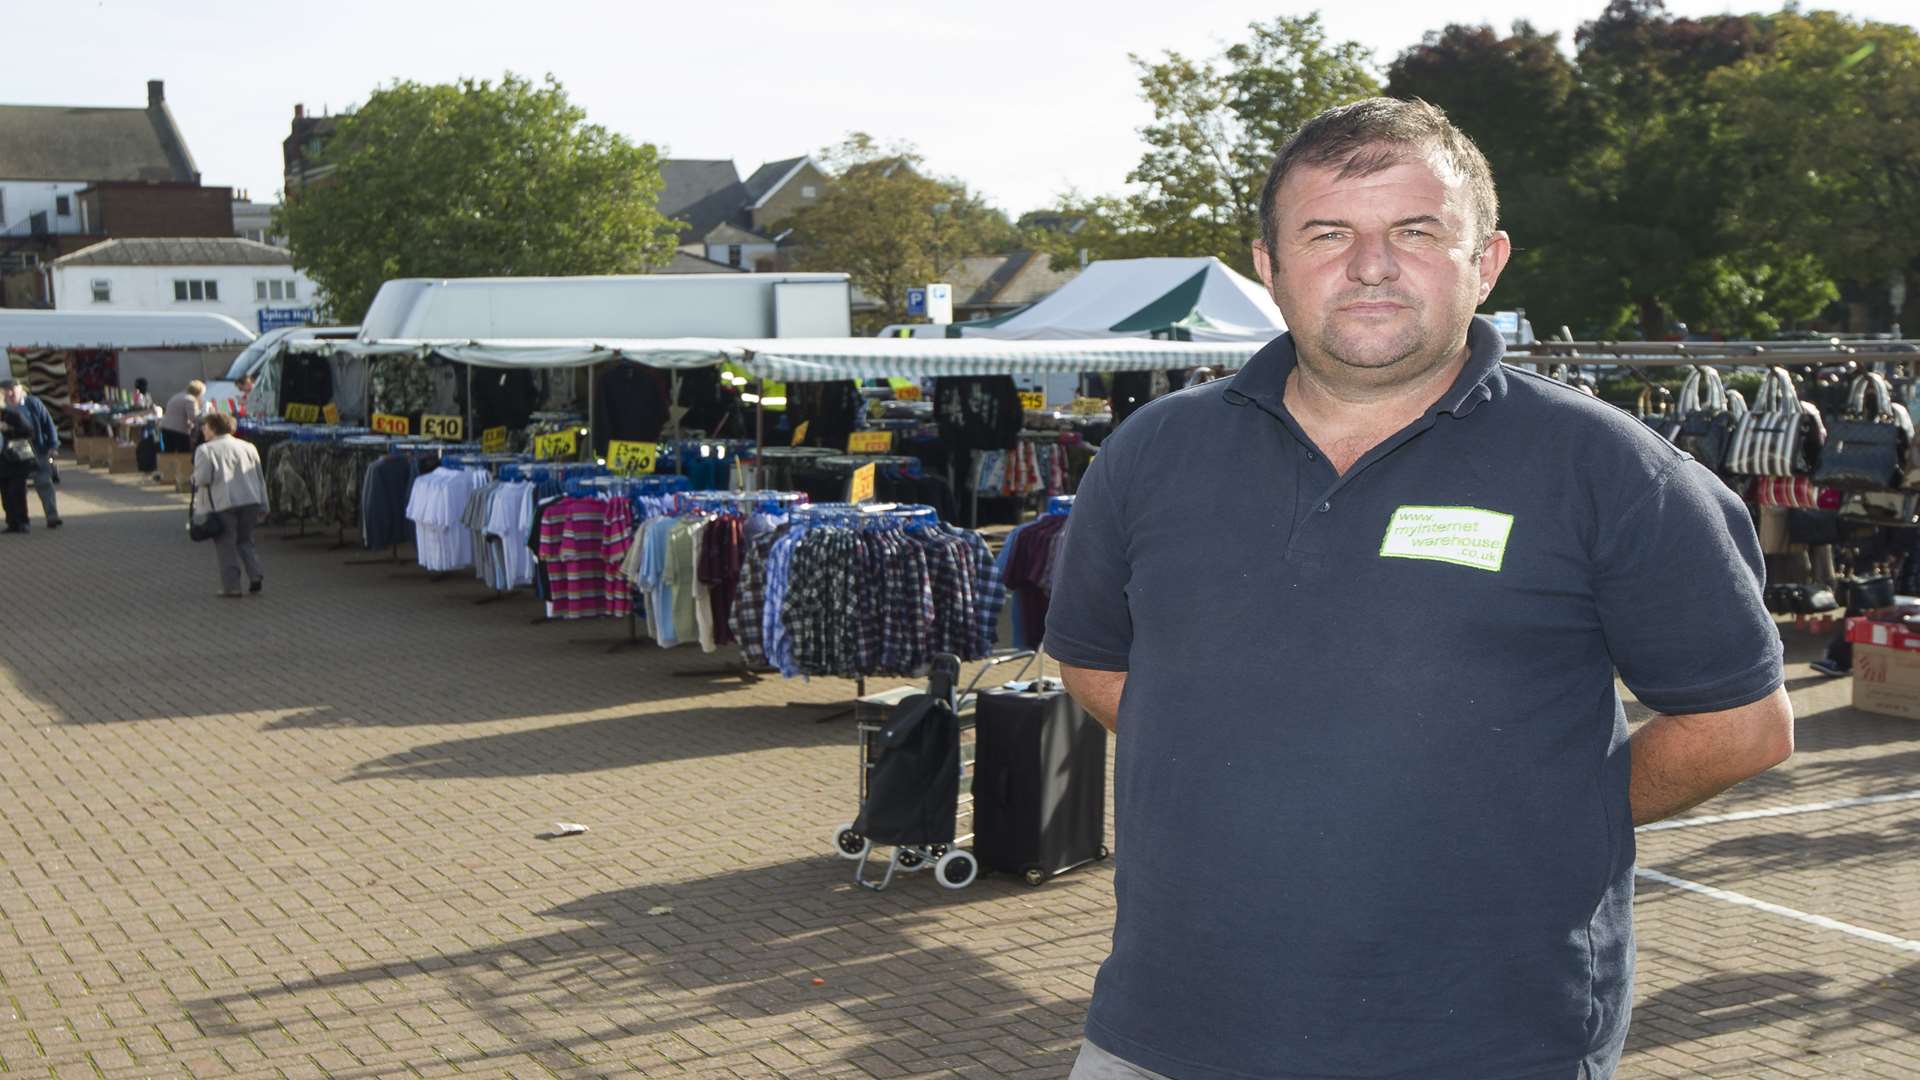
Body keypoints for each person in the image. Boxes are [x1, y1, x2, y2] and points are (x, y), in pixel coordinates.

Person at [1049, 98, 1793, 1080]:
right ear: (1269, 267)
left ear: (1486, 263)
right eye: (1327, 234)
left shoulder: (1613, 472)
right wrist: (1240, 762)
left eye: (1415, 231)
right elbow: (1092, 659)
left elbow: (1742, 724)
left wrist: (1535, 808)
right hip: (1167, 1032)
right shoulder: (1152, 453)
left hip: (1484, 1042)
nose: (1369, 265)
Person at [190, 411, 267, 597]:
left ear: (214, 428)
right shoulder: (248, 446)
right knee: (245, 539)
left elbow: (202, 478)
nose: (203, 430)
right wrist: (265, 503)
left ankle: (231, 586)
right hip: (250, 499)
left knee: (226, 545)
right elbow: (259, 477)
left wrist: (192, 478)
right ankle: (255, 574)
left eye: (205, 426)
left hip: (224, 502)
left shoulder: (205, 450)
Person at [1, 379, 60, 528]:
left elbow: (48, 423)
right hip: (14, 456)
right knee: (15, 488)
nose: (9, 393)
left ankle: (52, 516)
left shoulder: (33, 403)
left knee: (44, 482)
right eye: (6, 390)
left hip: (38, 450)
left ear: (21, 389)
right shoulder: (3, 408)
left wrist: (53, 445)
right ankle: (18, 520)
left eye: (12, 389)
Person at [0, 396, 34, 533]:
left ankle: (23, 522)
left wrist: (8, 429)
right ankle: (12, 523)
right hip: (2, 463)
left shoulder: (13, 416)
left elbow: (29, 432)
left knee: (17, 493)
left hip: (17, 461)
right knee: (6, 494)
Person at [159, 380, 206, 453]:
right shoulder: (190, 400)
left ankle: (168, 464)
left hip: (165, 428)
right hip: (179, 430)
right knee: (184, 453)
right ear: (198, 392)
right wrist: (206, 419)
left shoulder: (178, 395)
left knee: (169, 452)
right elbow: (193, 418)